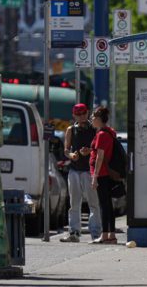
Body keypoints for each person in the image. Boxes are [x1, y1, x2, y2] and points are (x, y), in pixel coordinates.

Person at [59, 103, 101, 242]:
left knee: (93, 203)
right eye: (78, 114)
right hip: (75, 169)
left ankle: (95, 233)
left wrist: (89, 151)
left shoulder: (94, 129)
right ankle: (74, 232)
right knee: (74, 203)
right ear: (74, 115)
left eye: (83, 113)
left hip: (89, 170)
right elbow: (66, 149)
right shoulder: (71, 129)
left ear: (87, 112)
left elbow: (98, 148)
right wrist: (71, 155)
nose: (81, 116)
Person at [89, 106, 118, 245]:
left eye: (93, 117)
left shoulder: (101, 134)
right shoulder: (109, 132)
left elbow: (100, 156)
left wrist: (95, 177)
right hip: (107, 173)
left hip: (102, 174)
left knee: (103, 205)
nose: (91, 119)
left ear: (99, 119)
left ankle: (105, 235)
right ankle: (111, 235)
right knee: (108, 205)